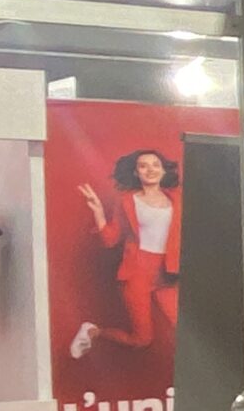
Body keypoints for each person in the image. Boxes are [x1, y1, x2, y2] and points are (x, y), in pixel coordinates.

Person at [68, 147, 181, 358]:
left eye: (156, 165)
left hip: (168, 272)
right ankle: (93, 332)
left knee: (184, 329)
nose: (150, 170)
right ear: (136, 173)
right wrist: (99, 213)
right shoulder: (128, 201)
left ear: (164, 171)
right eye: (143, 166)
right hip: (137, 272)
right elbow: (111, 239)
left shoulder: (178, 201)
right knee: (142, 340)